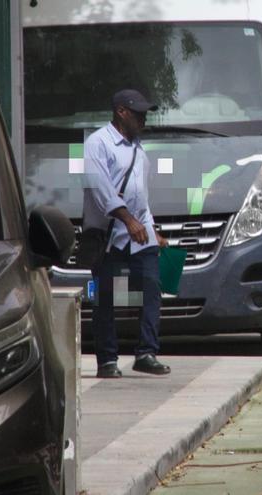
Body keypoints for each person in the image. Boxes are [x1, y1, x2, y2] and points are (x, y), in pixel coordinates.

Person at [84, 89, 171, 378]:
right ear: (121, 112)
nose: (143, 120)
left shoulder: (138, 148)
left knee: (151, 289)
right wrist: (128, 221)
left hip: (139, 234)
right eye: (139, 114)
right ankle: (107, 361)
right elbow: (101, 191)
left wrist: (150, 229)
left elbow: (141, 198)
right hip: (109, 236)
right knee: (106, 298)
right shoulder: (98, 143)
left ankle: (146, 352)